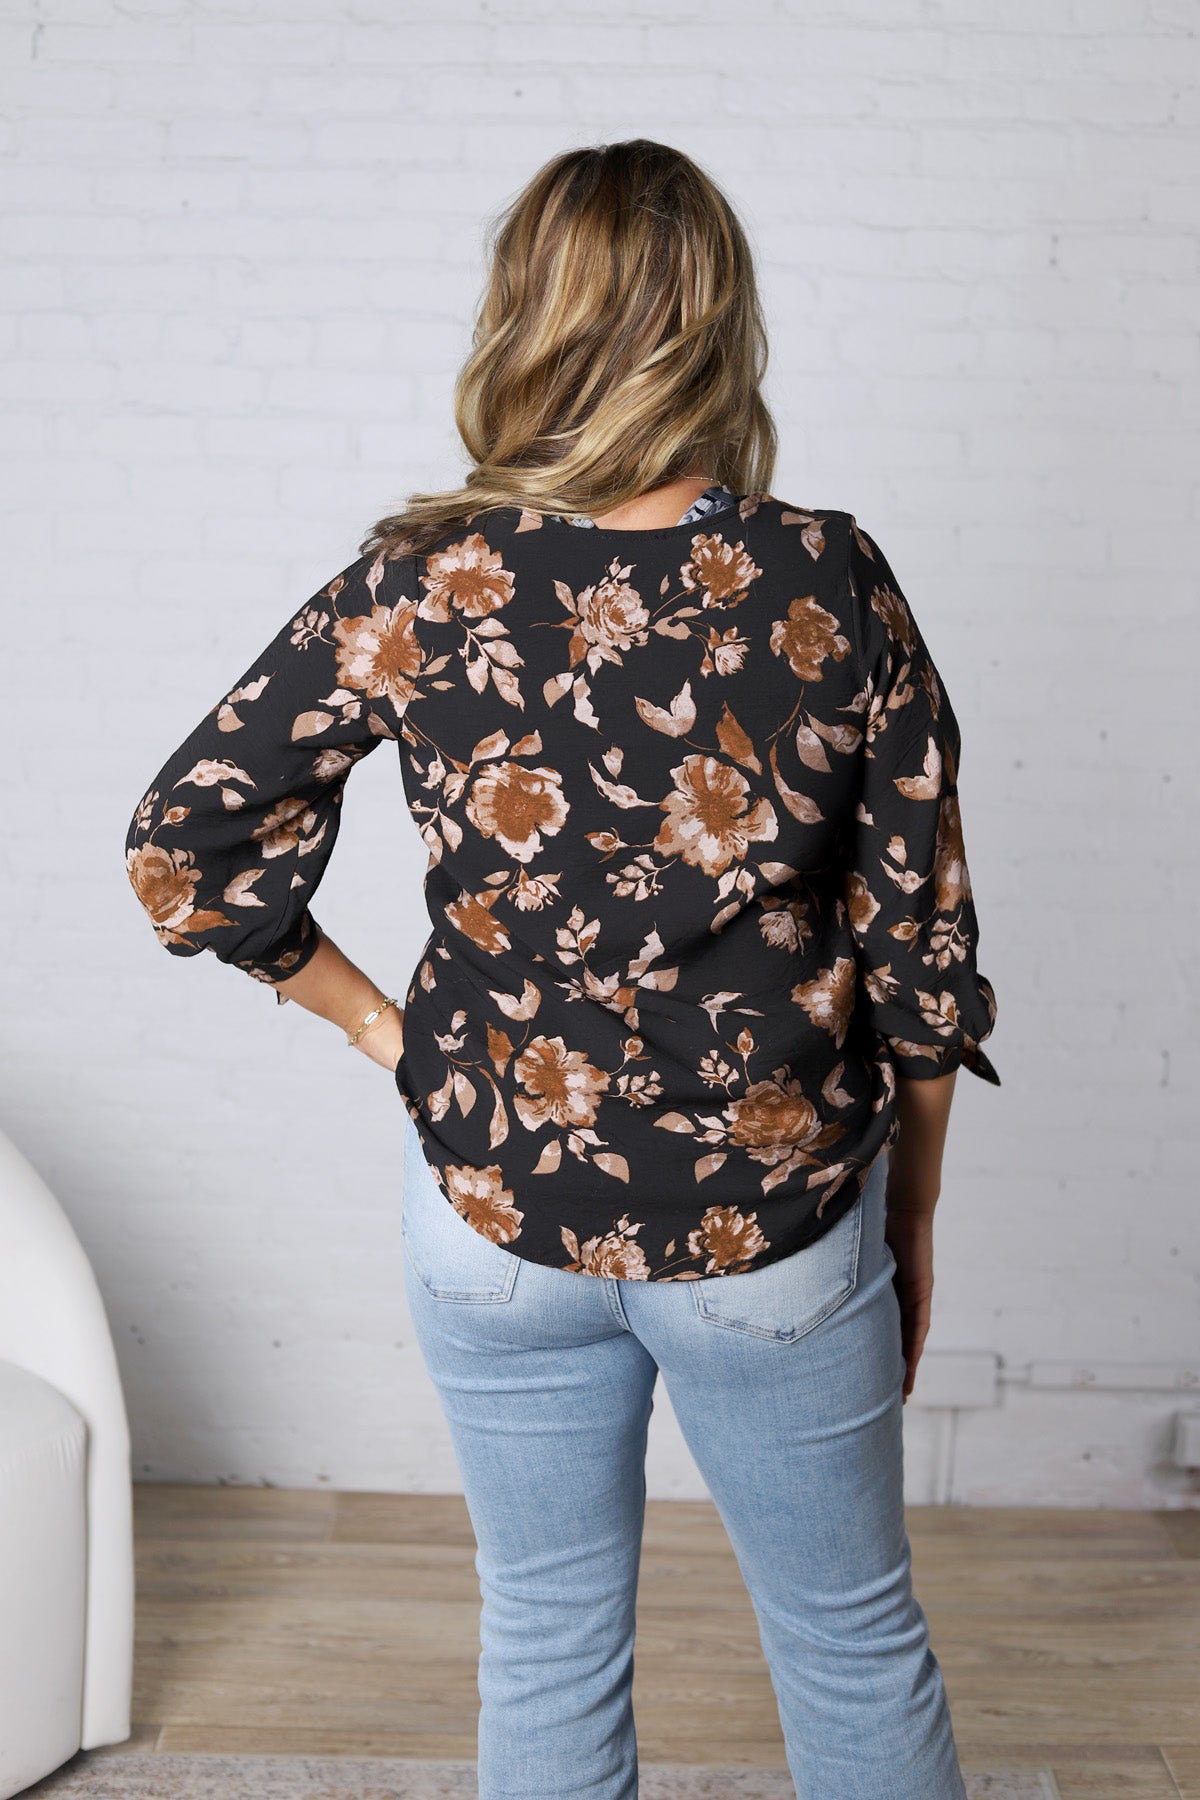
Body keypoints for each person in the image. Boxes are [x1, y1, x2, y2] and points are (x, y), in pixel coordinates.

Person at [124, 138, 999, 1800]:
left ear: (524, 316)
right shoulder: (828, 577)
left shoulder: (423, 579)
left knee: (543, 1632)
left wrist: (390, 1035)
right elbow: (922, 943)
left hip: (488, 1206)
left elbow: (185, 843)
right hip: (774, 1224)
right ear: (718, 322)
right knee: (848, 1637)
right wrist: (914, 1216)